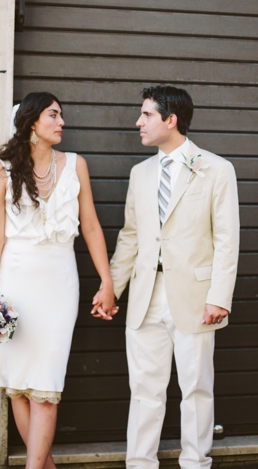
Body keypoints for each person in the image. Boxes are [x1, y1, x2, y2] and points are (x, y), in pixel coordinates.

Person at [98, 85, 239, 469]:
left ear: (170, 120)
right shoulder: (140, 173)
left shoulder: (216, 168)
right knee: (144, 388)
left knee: (195, 387)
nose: (138, 122)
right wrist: (111, 288)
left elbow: (227, 239)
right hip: (145, 296)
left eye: (146, 115)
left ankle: (196, 462)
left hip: (195, 296)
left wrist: (219, 296)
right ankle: (140, 462)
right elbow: (130, 236)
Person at [0, 92, 117, 469]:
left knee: (45, 388)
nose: (61, 123)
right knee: (18, 388)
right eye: (53, 115)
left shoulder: (75, 165)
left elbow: (90, 226)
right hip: (14, 281)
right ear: (31, 121)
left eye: (61, 116)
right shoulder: (1, 169)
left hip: (59, 282)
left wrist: (107, 281)